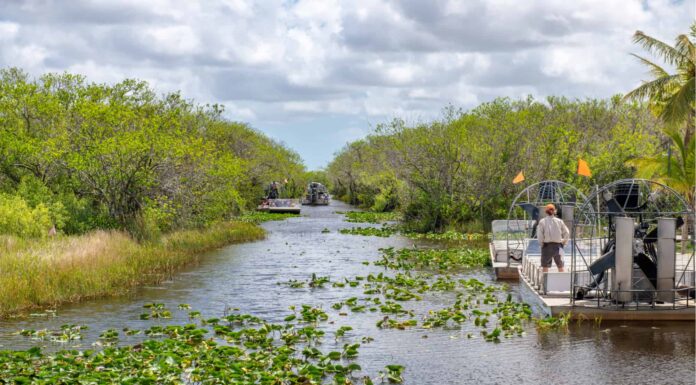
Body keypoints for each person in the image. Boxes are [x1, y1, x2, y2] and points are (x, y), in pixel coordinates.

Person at [537, 203, 569, 273]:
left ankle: (545, 282)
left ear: (546, 211)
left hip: (546, 246)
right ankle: (562, 281)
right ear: (555, 211)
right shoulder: (559, 221)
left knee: (545, 266)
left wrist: (542, 244)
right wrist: (564, 242)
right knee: (560, 266)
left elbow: (540, 236)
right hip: (558, 246)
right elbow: (567, 232)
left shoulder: (542, 221)